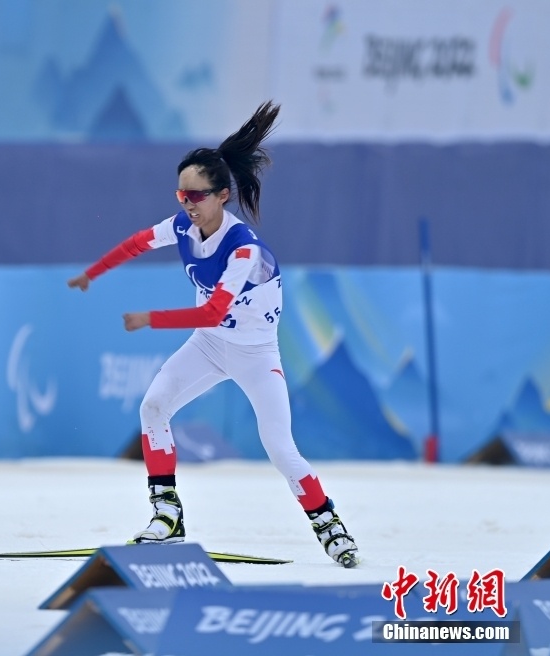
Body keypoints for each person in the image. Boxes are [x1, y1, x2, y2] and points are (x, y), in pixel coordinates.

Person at [67, 101, 359, 568]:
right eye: (180, 194)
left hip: (254, 354)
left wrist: (152, 319)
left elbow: (216, 309)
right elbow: (138, 242)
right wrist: (93, 273)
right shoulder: (182, 224)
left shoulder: (244, 249)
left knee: (281, 450)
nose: (186, 204)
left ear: (223, 195)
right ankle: (167, 515)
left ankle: (330, 526)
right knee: (153, 407)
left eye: (196, 196)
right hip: (210, 344)